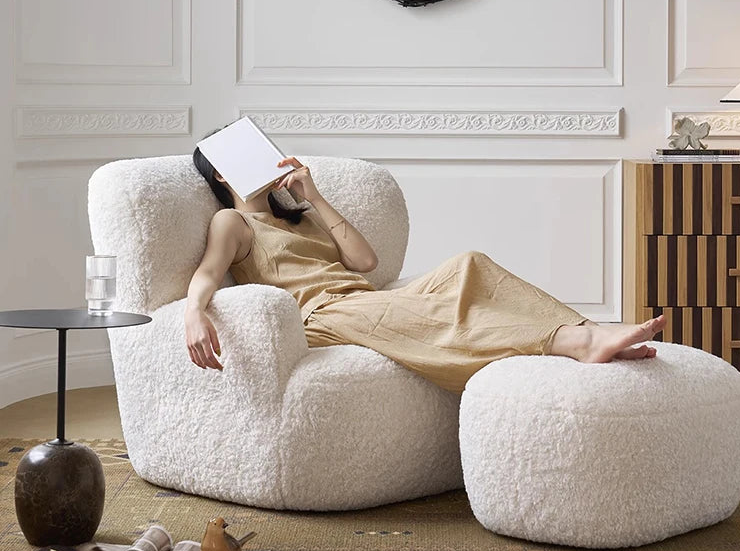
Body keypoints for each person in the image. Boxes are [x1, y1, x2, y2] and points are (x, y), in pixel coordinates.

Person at [188, 142, 666, 393]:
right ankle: (579, 343)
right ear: (224, 173)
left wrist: (312, 197)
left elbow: (365, 262)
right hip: (321, 317)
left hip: (363, 298)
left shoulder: (298, 212)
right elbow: (210, 272)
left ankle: (582, 329)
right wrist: (195, 313)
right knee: (437, 317)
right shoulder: (233, 221)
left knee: (468, 264)